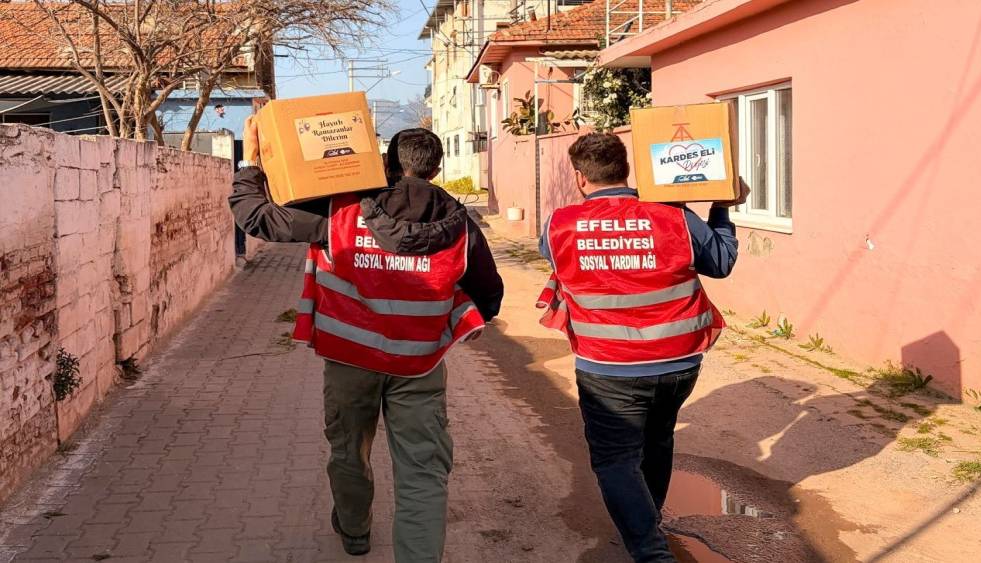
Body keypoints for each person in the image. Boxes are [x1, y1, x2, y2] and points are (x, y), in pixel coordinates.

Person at [230, 122, 504, 562]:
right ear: (436, 168)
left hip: (349, 359)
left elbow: (259, 217)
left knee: (349, 449)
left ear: (389, 165)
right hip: (420, 365)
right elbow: (489, 293)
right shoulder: (461, 225)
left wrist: (251, 163)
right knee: (422, 471)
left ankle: (355, 530)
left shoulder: (341, 213)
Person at [537, 133, 747, 563]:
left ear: (580, 178)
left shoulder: (561, 224)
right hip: (679, 362)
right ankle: (647, 521)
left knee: (615, 460)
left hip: (608, 367)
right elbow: (721, 263)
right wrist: (723, 206)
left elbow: (557, 261)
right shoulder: (672, 215)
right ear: (626, 169)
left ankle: (651, 550)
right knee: (658, 440)